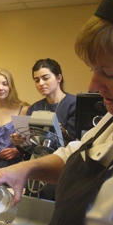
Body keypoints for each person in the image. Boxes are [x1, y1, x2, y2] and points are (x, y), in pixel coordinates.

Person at [0, 0, 113, 225]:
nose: (93, 84)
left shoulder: (72, 104)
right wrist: (24, 168)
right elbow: (74, 155)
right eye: (92, 69)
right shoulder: (110, 119)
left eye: (108, 72)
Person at [13, 58, 77, 200]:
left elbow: (76, 143)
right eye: (37, 80)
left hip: (61, 173)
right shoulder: (35, 108)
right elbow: (31, 149)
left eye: (45, 78)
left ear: (59, 77)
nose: (41, 83)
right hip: (37, 174)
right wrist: (20, 143)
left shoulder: (74, 104)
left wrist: (63, 133)